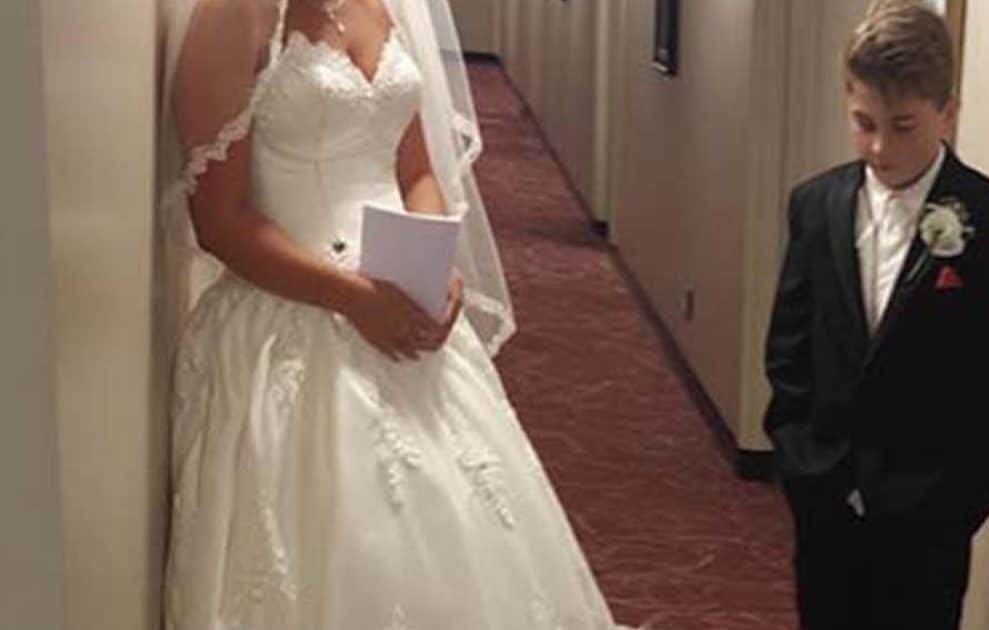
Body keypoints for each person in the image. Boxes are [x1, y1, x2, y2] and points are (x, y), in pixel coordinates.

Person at [157, 0, 633, 627]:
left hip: (405, 301)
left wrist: (434, 261)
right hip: (292, 313)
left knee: (461, 520)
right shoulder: (235, 14)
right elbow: (220, 221)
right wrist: (354, 297)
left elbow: (416, 172)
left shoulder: (389, 5)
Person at [763, 1, 989, 628]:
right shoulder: (815, 204)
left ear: (948, 113)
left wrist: (955, 505)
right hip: (825, 503)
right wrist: (803, 467)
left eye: (903, 126)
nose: (879, 147)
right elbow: (789, 346)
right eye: (863, 123)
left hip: (928, 520)